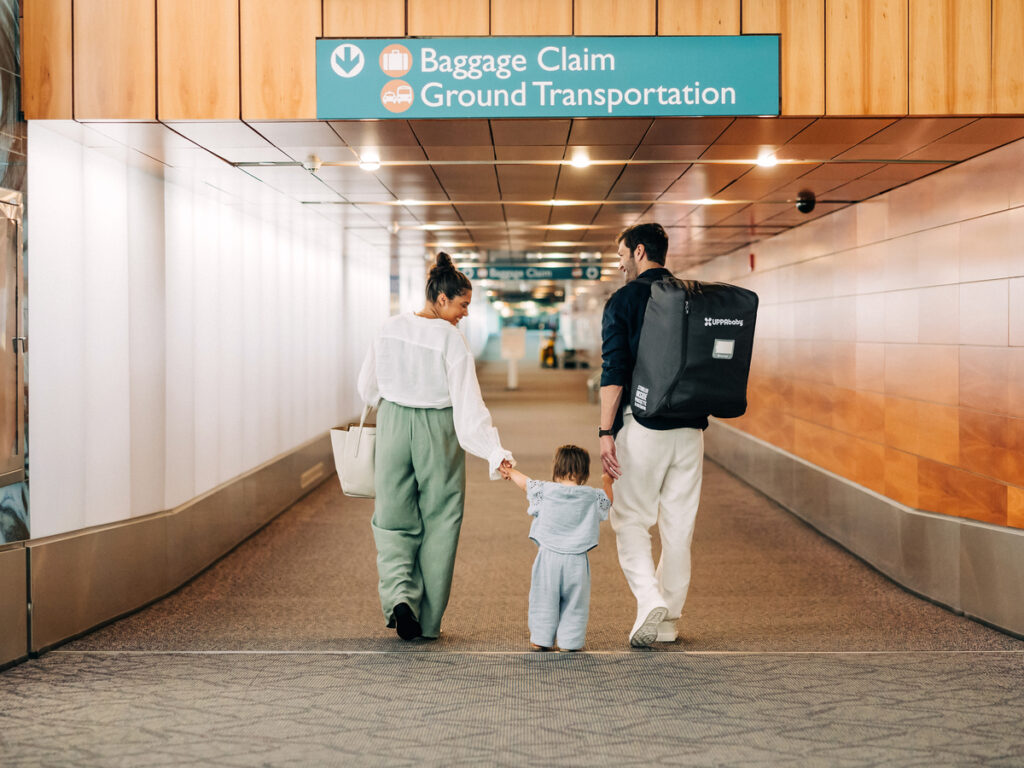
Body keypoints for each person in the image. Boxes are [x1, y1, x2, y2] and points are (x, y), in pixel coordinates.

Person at [358, 252, 514, 641]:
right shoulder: (451, 339)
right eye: (463, 304)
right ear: (442, 299)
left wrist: (398, 399)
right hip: (438, 428)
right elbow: (467, 406)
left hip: (393, 423)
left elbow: (366, 388)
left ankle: (399, 597)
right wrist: (494, 451)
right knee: (441, 518)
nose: (465, 313)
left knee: (392, 517)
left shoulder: (389, 327)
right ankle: (427, 622)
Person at [599, 222, 708, 648]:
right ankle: (669, 620)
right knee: (679, 526)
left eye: (621, 252)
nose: (620, 260)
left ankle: (648, 601)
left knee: (630, 519)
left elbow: (614, 370)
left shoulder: (625, 300)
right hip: (691, 428)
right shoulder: (692, 297)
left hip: (643, 426)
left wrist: (606, 430)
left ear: (639, 251)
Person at [500, 445, 610, 652]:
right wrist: (607, 481)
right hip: (577, 560)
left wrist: (510, 470)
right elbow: (607, 502)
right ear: (585, 473)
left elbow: (526, 484)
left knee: (544, 598)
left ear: (556, 468)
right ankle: (571, 641)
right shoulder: (591, 496)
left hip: (548, 557)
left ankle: (541, 638)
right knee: (576, 603)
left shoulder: (545, 490)